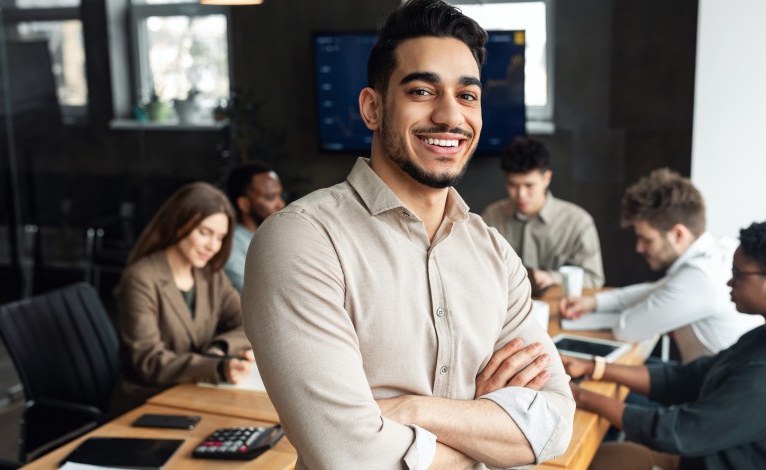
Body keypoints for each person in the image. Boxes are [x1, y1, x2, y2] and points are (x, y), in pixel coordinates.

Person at [243, 1, 574, 468]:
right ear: (373, 107)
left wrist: (409, 411)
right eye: (422, 90)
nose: (449, 116)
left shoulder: (495, 254)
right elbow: (351, 457)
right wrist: (484, 424)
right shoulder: (302, 241)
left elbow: (554, 425)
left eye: (467, 95)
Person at [562, 220, 766, 470]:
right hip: (713, 453)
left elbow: (680, 433)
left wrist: (583, 397)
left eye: (738, 274)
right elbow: (693, 377)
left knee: (578, 459)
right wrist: (594, 368)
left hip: (707, 455)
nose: (730, 282)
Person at [560, 168, 760, 363]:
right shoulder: (716, 252)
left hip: (707, 392)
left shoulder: (701, 277)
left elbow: (627, 330)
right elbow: (658, 290)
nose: (639, 248)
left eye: (647, 240)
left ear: (678, 234)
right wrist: (594, 303)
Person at [110, 182, 254, 415]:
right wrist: (216, 367)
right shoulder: (141, 277)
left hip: (197, 394)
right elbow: (149, 361)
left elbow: (250, 322)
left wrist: (219, 348)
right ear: (178, 223)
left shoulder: (211, 275)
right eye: (204, 233)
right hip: (147, 403)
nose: (212, 246)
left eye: (220, 237)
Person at [482, 136, 605, 290]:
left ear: (547, 178)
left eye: (529, 185)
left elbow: (593, 278)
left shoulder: (578, 222)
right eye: (513, 185)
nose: (521, 194)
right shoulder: (492, 217)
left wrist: (552, 277)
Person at [224, 162, 286, 291]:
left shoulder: (277, 237)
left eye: (280, 195)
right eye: (271, 197)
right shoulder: (231, 245)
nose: (281, 204)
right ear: (244, 204)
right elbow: (256, 294)